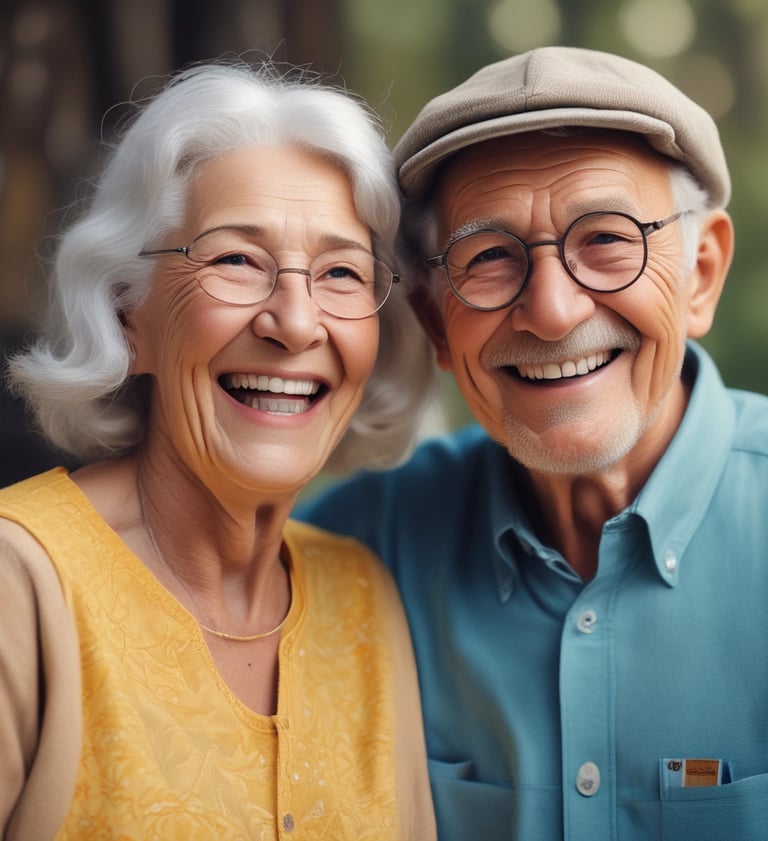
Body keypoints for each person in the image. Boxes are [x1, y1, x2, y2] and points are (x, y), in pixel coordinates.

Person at [298, 45, 768, 840]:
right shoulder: (353, 553)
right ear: (435, 322)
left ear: (701, 274)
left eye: (609, 238)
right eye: (488, 257)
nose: (551, 310)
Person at [0, 61, 437, 840]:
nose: (296, 323)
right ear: (128, 313)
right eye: (237, 259)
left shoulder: (363, 595)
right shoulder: (19, 581)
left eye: (341, 271)